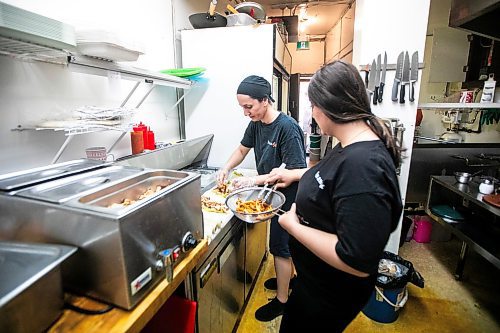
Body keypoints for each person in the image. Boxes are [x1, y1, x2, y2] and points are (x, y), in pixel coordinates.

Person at [265, 60, 404, 332]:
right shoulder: (350, 145)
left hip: (331, 293)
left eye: (313, 106)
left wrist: (293, 226)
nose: (313, 113)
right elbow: (333, 181)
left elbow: (356, 260)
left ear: (327, 107)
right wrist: (298, 175)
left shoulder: (365, 166)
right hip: (314, 282)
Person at [216, 75, 307, 322]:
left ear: (265, 100)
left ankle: (282, 302)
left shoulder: (287, 128)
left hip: (287, 195)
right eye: (242, 107)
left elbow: (297, 171)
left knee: (280, 246)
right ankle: (287, 279)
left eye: (249, 106)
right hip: (270, 191)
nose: (246, 113)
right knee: (282, 246)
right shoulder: (256, 124)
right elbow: (242, 149)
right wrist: (226, 167)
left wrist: (253, 181)